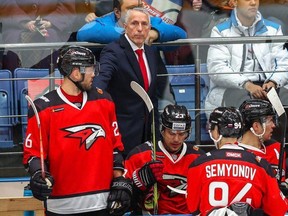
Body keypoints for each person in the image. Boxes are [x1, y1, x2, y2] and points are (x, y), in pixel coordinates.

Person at [22, 45, 133, 215]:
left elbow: (115, 148)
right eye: (90, 69)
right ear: (75, 73)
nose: (94, 74)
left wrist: (120, 180)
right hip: (61, 206)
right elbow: (33, 155)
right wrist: (38, 175)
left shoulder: (105, 101)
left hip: (102, 203)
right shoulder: (43, 107)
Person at [94, 7, 170, 157]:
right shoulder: (113, 51)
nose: (140, 29)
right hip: (123, 132)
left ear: (149, 28)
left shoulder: (151, 52)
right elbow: (102, 79)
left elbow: (152, 95)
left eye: (144, 24)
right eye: (134, 23)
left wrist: (154, 130)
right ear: (125, 26)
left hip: (147, 132)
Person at [187, 106, 288, 215]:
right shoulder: (261, 165)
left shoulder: (198, 164)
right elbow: (278, 210)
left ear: (215, 131)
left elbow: (192, 208)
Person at [204, 0, 288, 118]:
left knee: (285, 100)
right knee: (249, 108)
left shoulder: (273, 29)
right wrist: (247, 85)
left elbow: (284, 64)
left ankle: (280, 136)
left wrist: (273, 82)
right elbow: (217, 69)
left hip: (268, 86)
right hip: (236, 87)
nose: (253, 3)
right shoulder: (220, 31)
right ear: (234, 2)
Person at [125, 104, 205, 214]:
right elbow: (124, 197)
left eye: (182, 134)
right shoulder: (140, 154)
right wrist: (138, 181)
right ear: (162, 130)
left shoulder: (199, 158)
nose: (176, 139)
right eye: (171, 133)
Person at [1, 0, 75, 72]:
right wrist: (24, 22)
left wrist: (49, 23)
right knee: (12, 44)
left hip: (53, 27)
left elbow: (67, 8)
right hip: (16, 26)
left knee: (52, 38)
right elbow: (6, 4)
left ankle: (48, 82)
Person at [76, 0, 187, 45]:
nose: (137, 12)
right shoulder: (107, 21)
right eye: (131, 8)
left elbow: (181, 33)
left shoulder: (147, 21)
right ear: (117, 12)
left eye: (139, 7)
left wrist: (154, 33)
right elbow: (83, 32)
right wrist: (129, 34)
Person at [239, 99, 287, 190]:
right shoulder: (235, 155)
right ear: (256, 126)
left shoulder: (276, 148)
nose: (273, 125)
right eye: (270, 120)